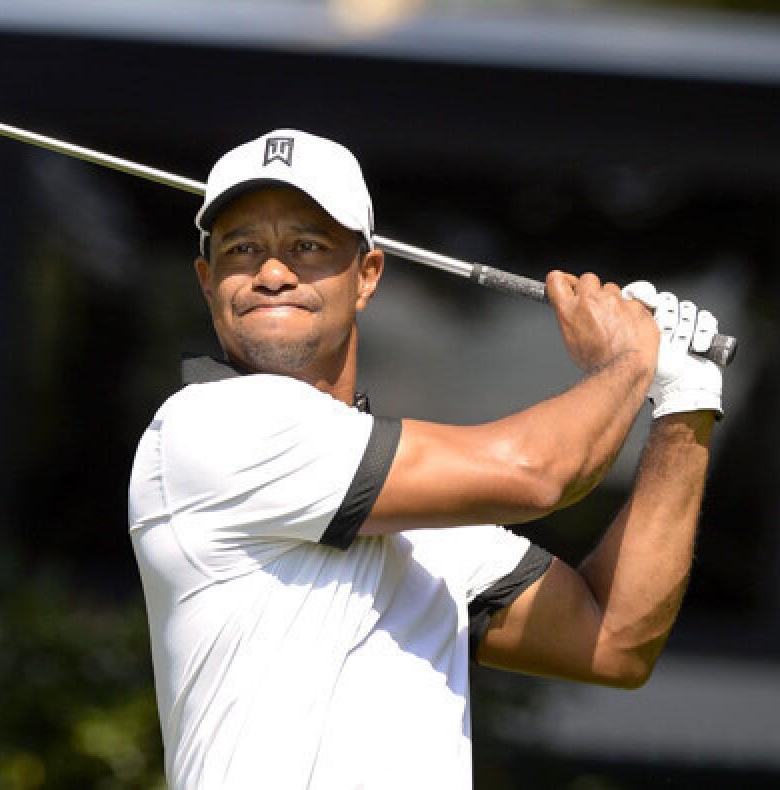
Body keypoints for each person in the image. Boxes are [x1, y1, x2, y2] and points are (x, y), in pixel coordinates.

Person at [127, 129, 724, 789]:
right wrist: (631, 356)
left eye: (307, 246)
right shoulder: (210, 426)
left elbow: (613, 641)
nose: (273, 273)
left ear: (367, 276)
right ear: (208, 282)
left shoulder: (411, 512)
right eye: (243, 249)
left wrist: (684, 402)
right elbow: (538, 472)